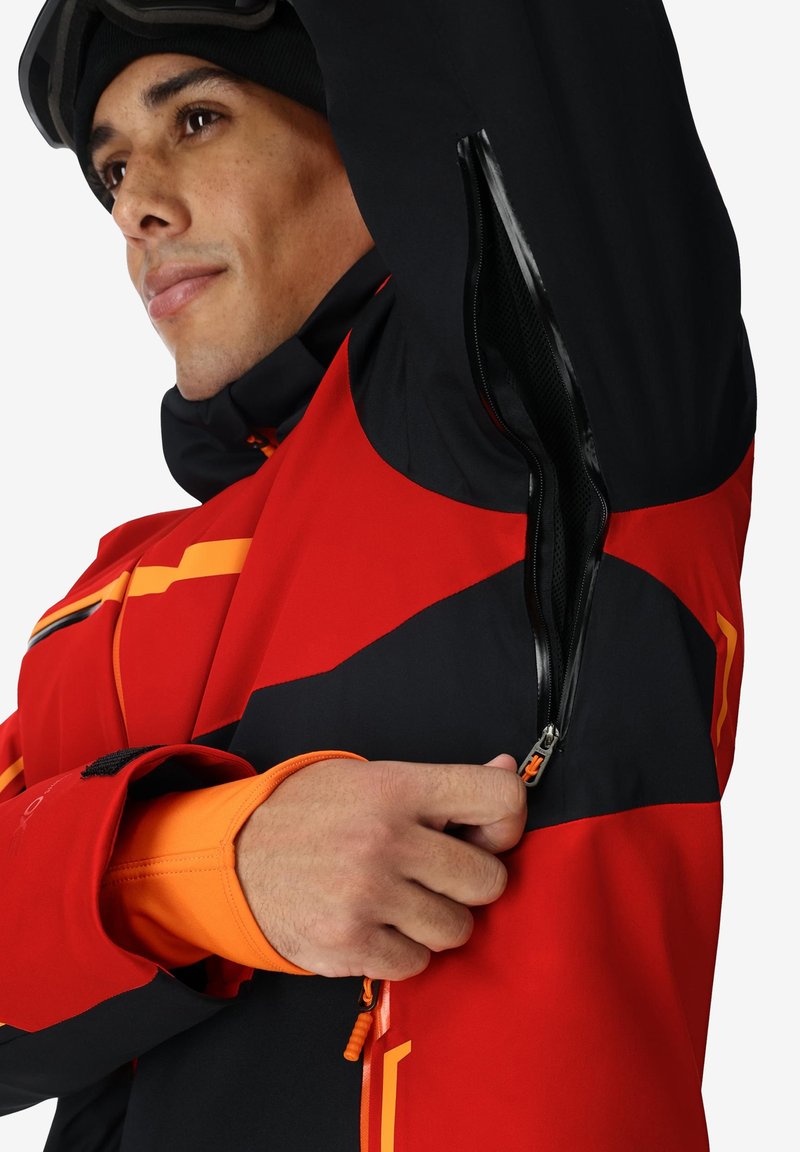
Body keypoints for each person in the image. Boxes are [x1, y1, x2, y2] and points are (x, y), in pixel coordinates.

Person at [1, 1, 756, 1149]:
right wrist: (195, 867)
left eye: (196, 120)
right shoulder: (103, 603)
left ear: (369, 130)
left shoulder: (550, 422)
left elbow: (517, 53)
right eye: (112, 169)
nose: (136, 206)